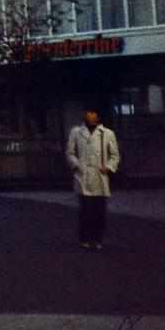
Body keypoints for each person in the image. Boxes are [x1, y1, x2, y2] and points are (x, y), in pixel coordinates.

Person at [66, 104, 121, 250]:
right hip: (83, 175)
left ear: (97, 116)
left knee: (99, 210)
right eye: (88, 113)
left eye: (93, 113)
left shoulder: (107, 133)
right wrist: (77, 165)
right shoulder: (76, 132)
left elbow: (115, 156)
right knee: (85, 209)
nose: (90, 116)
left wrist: (108, 167)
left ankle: (97, 238)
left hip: (99, 176)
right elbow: (70, 153)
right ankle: (84, 237)